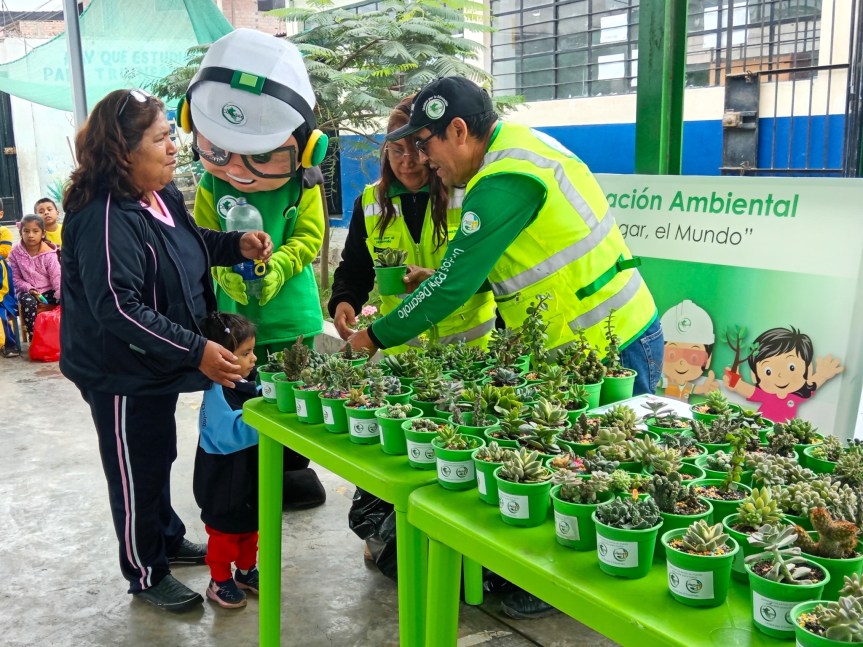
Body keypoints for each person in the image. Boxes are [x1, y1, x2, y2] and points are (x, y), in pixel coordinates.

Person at [348, 75, 664, 619]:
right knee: (573, 461)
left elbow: (451, 286)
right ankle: (560, 579)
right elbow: (506, 259)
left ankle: (607, 598)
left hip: (612, 343)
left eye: (428, 144)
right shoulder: (518, 148)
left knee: (614, 470)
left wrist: (372, 337)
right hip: (576, 344)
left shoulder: (502, 180)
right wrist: (454, 275)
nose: (425, 160)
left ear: (460, 130)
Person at [59, 88, 273, 613]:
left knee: (158, 452)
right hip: (119, 370)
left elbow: (186, 243)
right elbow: (118, 307)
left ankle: (167, 538)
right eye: (161, 137)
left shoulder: (159, 194)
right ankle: (145, 570)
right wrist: (196, 348)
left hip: (156, 360)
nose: (174, 146)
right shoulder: (105, 216)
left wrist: (232, 245)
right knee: (136, 466)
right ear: (125, 150)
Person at [185, 28, 329, 509]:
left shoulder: (302, 183)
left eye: (263, 154)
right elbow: (201, 240)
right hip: (234, 321)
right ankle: (243, 471)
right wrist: (227, 273)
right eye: (224, 150)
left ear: (305, 149)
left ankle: (290, 470)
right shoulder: (210, 182)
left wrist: (278, 268)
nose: (241, 169)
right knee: (237, 391)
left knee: (291, 389)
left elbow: (309, 238)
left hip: (290, 314)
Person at [329, 95, 496, 350]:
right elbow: (355, 268)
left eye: (417, 149)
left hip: (471, 351)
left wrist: (440, 279)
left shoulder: (468, 195)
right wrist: (344, 301)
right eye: (396, 150)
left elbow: (497, 272)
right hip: (403, 355)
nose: (406, 161)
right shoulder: (369, 202)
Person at [194, 312, 261, 609]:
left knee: (250, 529)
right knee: (224, 534)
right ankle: (219, 579)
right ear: (221, 357)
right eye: (245, 353)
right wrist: (267, 419)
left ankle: (246, 572)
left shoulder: (244, 383)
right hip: (223, 482)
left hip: (246, 477)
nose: (254, 359)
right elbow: (230, 435)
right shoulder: (216, 391)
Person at [723, 325, 843, 423]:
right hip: (761, 427)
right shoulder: (765, 395)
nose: (780, 376)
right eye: (768, 371)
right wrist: (736, 383)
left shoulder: (796, 397)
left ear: (808, 369)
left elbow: (811, 385)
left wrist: (822, 375)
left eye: (792, 367)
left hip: (785, 433)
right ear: (755, 375)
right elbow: (747, 390)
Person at [8, 214, 61, 336]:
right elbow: (16, 279)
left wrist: (61, 297)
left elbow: (57, 278)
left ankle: (58, 335)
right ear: (21, 233)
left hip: (49, 290)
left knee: (65, 300)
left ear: (42, 233)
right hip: (28, 291)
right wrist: (30, 289)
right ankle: (35, 336)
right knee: (28, 302)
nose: (30, 235)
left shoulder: (49, 254)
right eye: (26, 231)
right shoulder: (15, 253)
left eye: (35, 231)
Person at [659, 299, 719, 401]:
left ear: (707, 359)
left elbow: (699, 389)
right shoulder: (668, 382)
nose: (682, 362)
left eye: (694, 357)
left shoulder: (687, 386)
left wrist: (706, 387)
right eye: (672, 355)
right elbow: (657, 382)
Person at [0, 213, 20, 357]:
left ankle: (10, 344)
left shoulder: (3, 231)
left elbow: (4, 252)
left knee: (3, 314)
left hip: (2, 293)